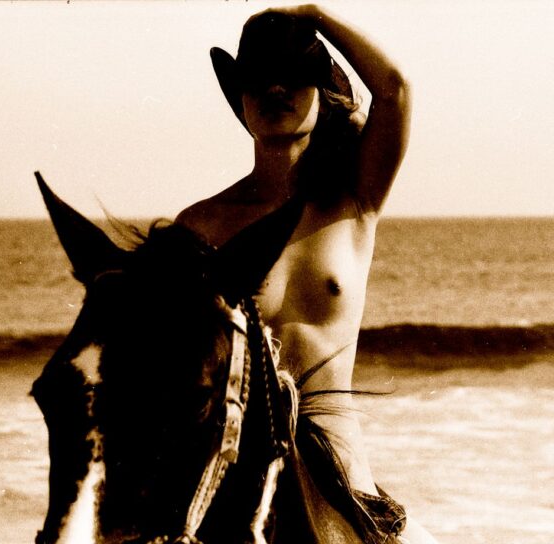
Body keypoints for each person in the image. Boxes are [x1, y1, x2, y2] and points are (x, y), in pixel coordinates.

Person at [177, 5, 437, 543]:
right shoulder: (200, 225)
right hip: (235, 488)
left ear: (322, 93)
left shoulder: (356, 200)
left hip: (346, 486)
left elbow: (394, 90)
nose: (275, 89)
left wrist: (313, 12)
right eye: (257, 79)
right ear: (240, 99)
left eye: (294, 75)